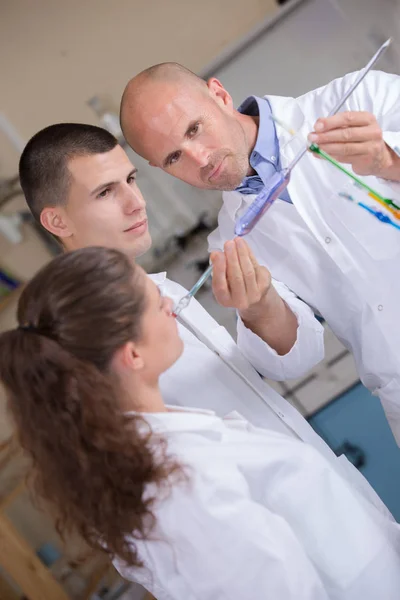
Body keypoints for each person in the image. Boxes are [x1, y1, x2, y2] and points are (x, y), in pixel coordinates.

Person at [1, 245, 400, 600]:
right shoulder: (182, 485)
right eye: (156, 303)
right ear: (133, 356)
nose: (172, 306)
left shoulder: (167, 446)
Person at [120, 62, 400, 443]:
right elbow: (299, 357)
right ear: (159, 167)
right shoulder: (229, 244)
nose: (200, 159)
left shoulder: (358, 98)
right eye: (173, 157)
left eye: (194, 129)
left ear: (219, 95)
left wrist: (389, 161)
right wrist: (258, 306)